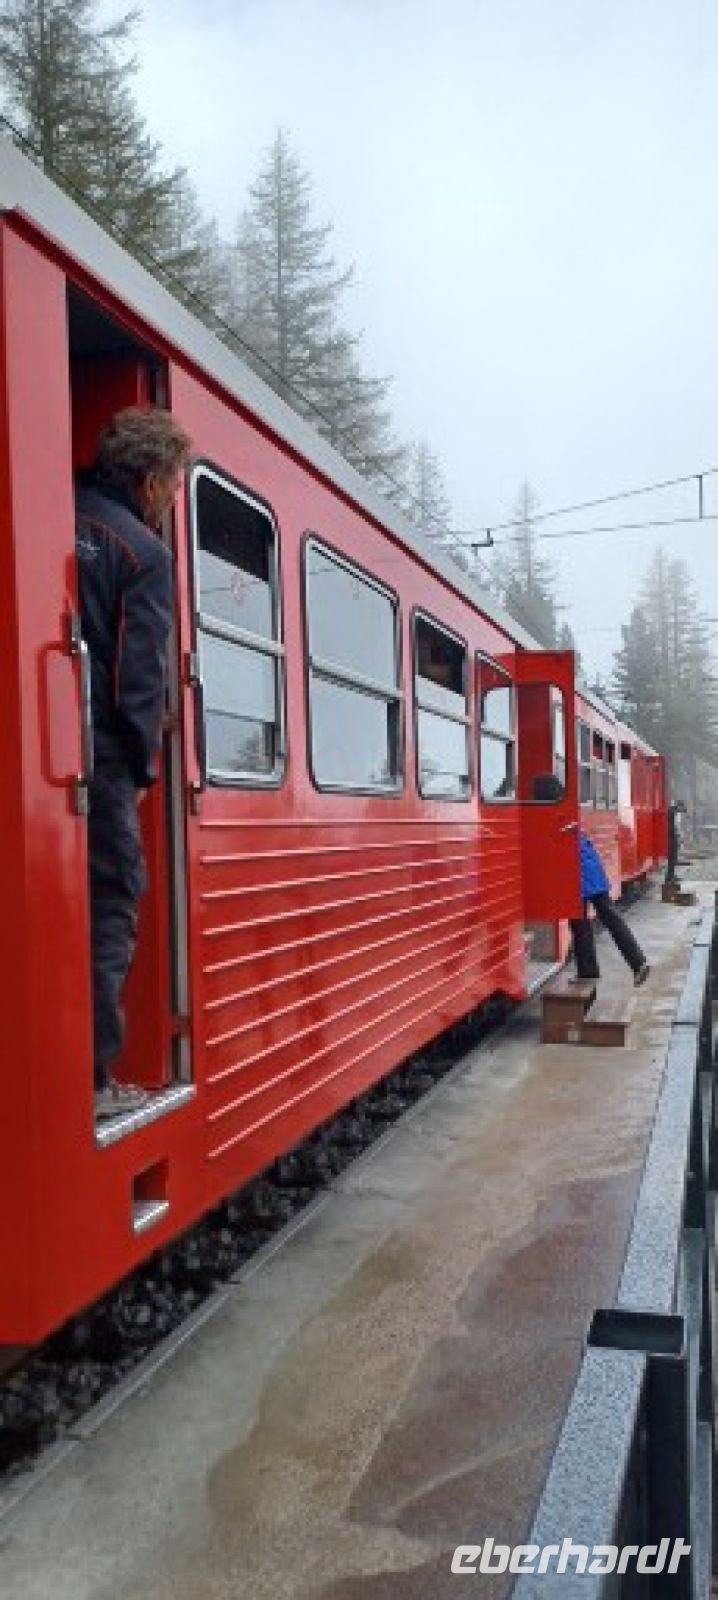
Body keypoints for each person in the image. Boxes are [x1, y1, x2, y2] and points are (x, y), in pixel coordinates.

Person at [75, 407, 191, 1119]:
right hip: (101, 762)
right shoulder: (143, 554)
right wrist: (144, 768)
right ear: (150, 482)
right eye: (175, 488)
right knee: (110, 907)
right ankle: (89, 1081)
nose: (174, 502)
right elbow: (135, 682)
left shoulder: (44, 509)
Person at [572, 830, 650, 986]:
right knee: (611, 919)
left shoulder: (564, 831)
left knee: (580, 924)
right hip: (594, 874)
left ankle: (588, 973)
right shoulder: (576, 830)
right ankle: (638, 962)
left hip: (579, 877)